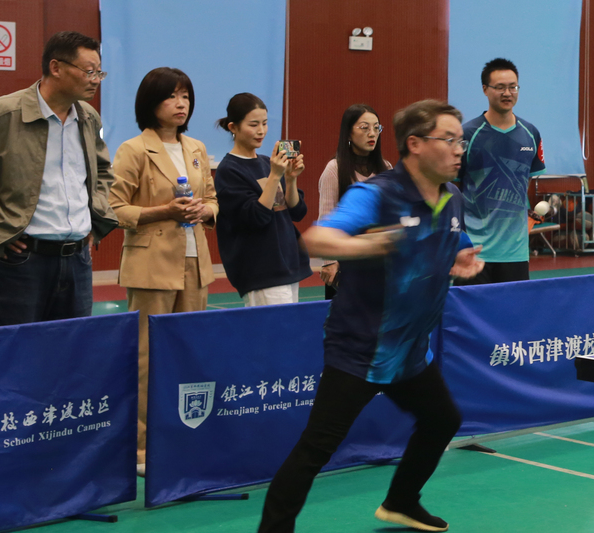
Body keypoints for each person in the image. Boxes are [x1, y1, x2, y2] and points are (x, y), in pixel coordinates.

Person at [258, 99, 484, 533]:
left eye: (461, 141)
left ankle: (401, 501)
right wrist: (369, 244)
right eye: (449, 139)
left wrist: (462, 258)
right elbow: (317, 239)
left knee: (442, 420)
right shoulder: (376, 194)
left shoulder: (451, 197)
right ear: (415, 144)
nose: (460, 150)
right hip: (360, 349)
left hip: (410, 351)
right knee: (317, 447)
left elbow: (454, 242)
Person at [109, 67, 218, 475]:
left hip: (194, 263)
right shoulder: (134, 149)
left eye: (185, 96)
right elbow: (114, 209)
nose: (180, 103)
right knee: (146, 358)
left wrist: (205, 210)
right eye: (171, 96)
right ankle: (140, 448)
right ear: (151, 103)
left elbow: (213, 199)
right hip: (150, 266)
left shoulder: (196, 147)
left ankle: (182, 437)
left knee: (189, 355)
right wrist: (164, 211)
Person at [0, 31, 117, 326]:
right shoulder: (6, 114)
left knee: (72, 349)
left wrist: (94, 218)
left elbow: (103, 171)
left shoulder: (88, 117)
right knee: (17, 349)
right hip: (21, 262)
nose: (96, 80)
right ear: (56, 67)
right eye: (89, 71)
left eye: (99, 72)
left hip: (78, 260)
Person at [214, 93, 311, 305]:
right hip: (262, 271)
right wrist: (275, 176)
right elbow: (256, 217)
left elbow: (297, 212)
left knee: (291, 325)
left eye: (265, 123)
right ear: (233, 127)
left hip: (288, 264)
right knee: (275, 326)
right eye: (253, 124)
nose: (261, 131)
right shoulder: (229, 170)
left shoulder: (268, 162)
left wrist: (291, 179)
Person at [455, 57, 546, 285]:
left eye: (513, 87)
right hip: (474, 249)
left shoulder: (531, 134)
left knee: (514, 307)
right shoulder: (467, 134)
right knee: (472, 307)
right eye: (500, 87)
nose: (507, 93)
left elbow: (524, 182)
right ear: (485, 89)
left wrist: (528, 216)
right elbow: (454, 187)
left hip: (515, 251)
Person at [318, 104, 391, 298]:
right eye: (364, 127)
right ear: (349, 133)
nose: (372, 133)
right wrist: (329, 261)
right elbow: (326, 217)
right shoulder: (334, 169)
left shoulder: (386, 169)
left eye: (376, 127)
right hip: (346, 265)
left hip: (379, 264)